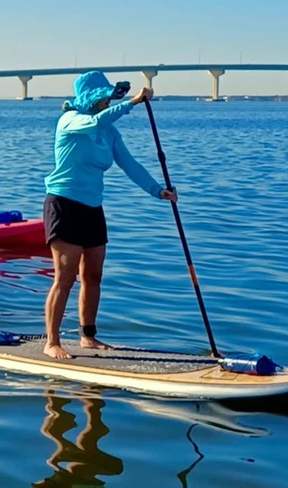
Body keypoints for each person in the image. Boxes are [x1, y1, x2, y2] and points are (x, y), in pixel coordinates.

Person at [42, 71, 178, 359]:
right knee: (65, 278)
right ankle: (52, 341)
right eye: (104, 96)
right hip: (64, 204)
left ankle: (88, 337)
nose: (108, 100)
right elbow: (93, 122)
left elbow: (130, 164)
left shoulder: (110, 133)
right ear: (92, 97)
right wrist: (132, 103)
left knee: (93, 275)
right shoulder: (71, 120)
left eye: (110, 96)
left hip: (92, 207)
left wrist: (157, 190)